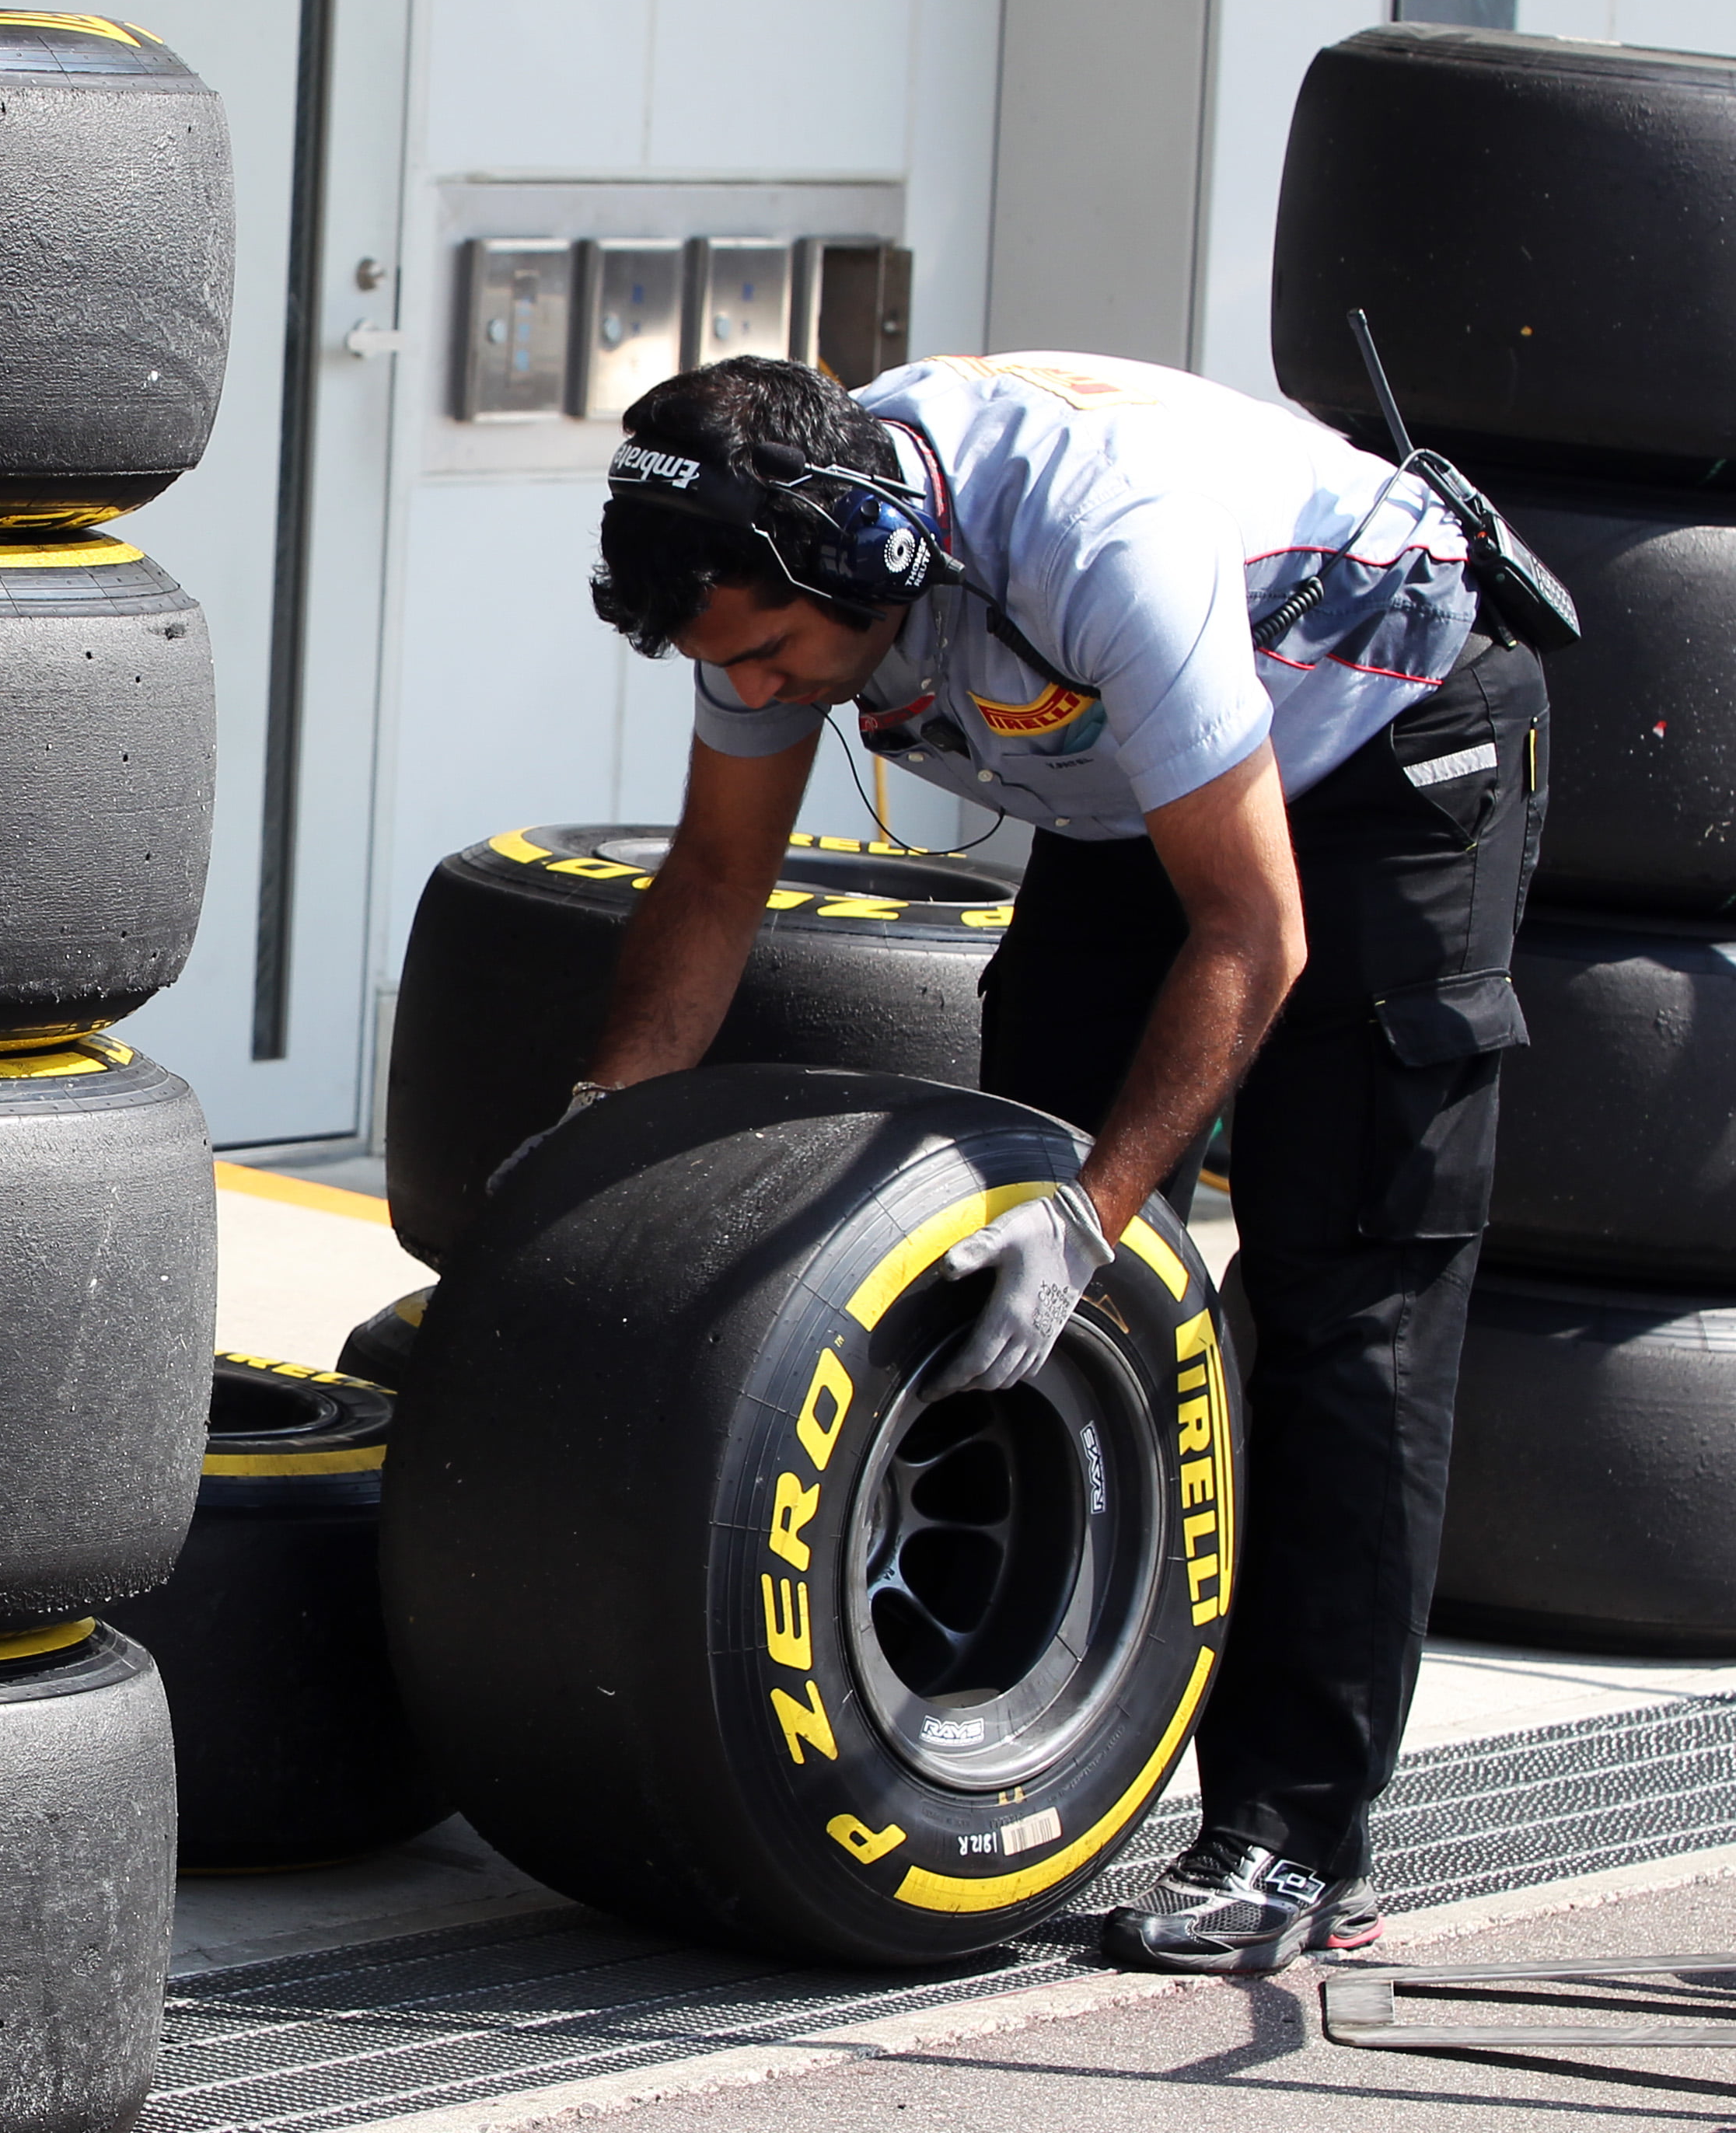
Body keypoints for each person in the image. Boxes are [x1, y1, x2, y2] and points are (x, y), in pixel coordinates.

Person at [539, 350, 1546, 1974]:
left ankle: (1294, 1841)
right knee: (997, 1239)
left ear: (872, 559)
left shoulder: (1098, 540)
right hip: (1135, 795)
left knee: (1338, 1293)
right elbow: (720, 879)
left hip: (1382, 745)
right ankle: (1025, 1728)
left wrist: (1098, 1211)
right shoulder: (764, 581)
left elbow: (1254, 925)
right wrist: (592, 1137)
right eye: (736, 668)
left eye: (786, 657)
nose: (771, 692)